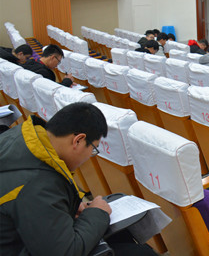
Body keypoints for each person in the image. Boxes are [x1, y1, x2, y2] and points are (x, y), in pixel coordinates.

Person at [0, 102, 159, 255]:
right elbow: (65, 252)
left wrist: (67, 206)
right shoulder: (37, 186)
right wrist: (97, 213)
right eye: (93, 149)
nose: (90, 156)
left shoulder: (23, 137)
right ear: (78, 140)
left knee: (120, 236)